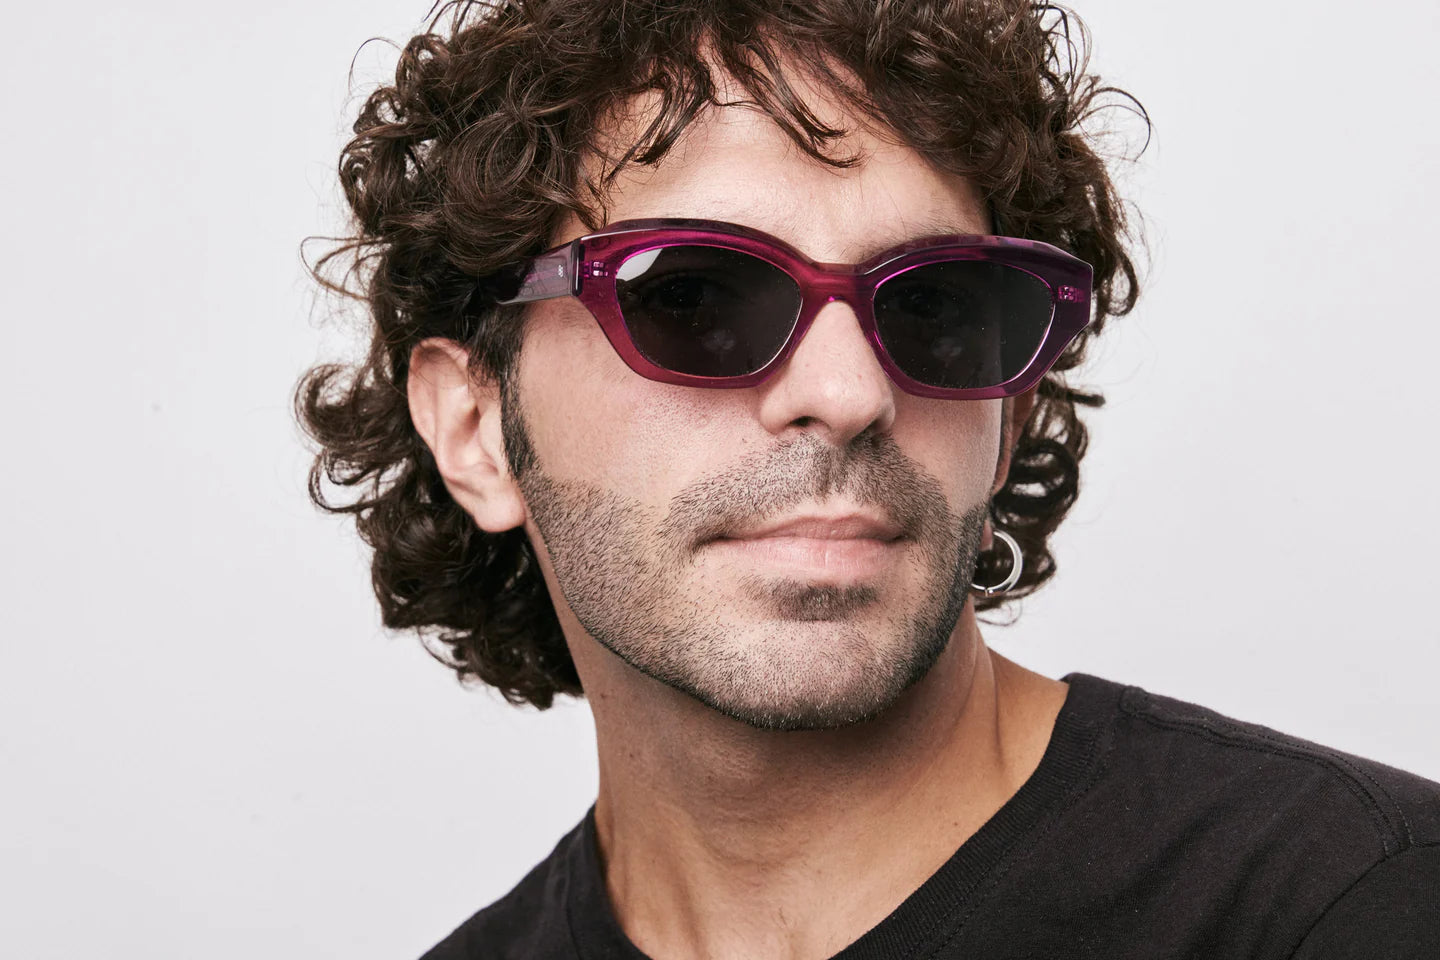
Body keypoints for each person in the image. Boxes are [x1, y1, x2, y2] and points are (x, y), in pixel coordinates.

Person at [294, 1, 1440, 957]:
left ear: (1007, 418)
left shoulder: (1361, 906)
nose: (849, 393)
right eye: (693, 295)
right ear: (476, 428)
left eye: (936, 306)